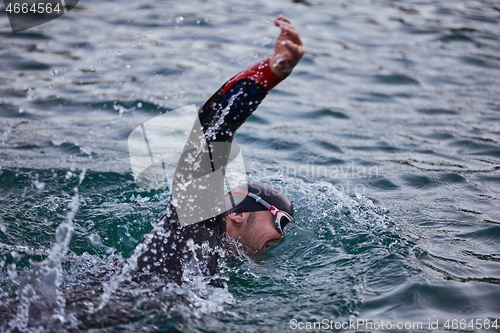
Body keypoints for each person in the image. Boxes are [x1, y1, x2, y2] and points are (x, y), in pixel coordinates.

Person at [134, 15, 304, 284]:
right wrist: (269, 74)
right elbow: (211, 132)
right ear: (237, 213)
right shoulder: (193, 225)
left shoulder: (212, 266)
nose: (282, 235)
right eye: (280, 221)